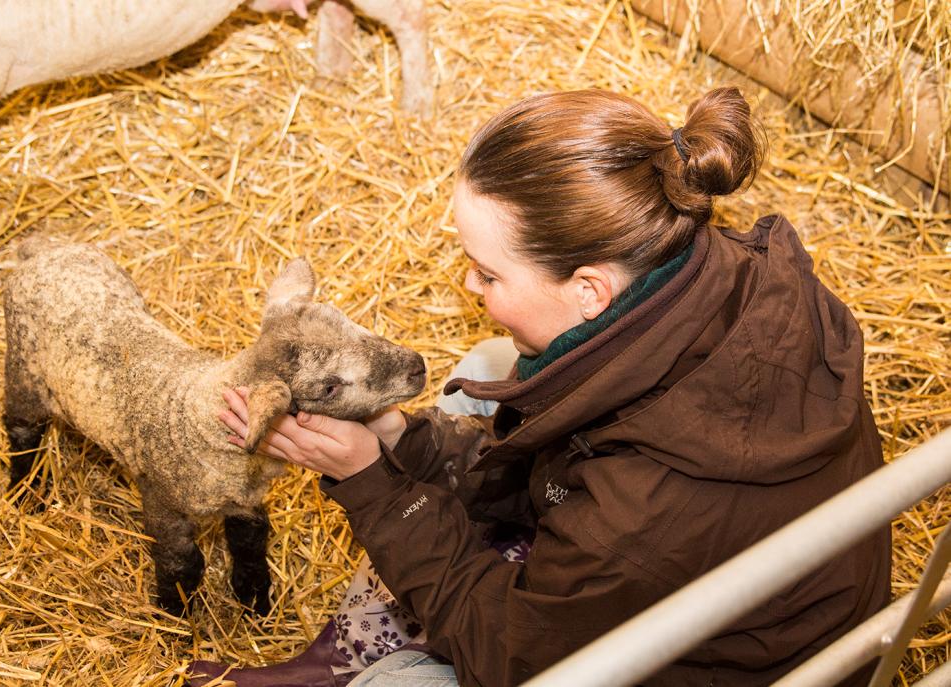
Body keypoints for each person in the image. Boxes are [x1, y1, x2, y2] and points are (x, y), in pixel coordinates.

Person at [218, 87, 891, 686]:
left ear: (591, 288)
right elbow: (574, 451)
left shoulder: (642, 513)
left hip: (705, 661)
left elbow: (513, 657)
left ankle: (363, 659)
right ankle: (353, 639)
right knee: (488, 365)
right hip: (701, 575)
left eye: (487, 273)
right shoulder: (715, 274)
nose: (468, 288)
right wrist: (400, 440)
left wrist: (375, 485)